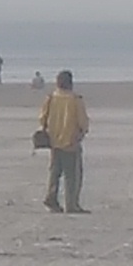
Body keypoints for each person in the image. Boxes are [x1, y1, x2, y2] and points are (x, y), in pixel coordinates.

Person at [35, 70, 89, 213]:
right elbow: (83, 122)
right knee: (72, 176)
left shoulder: (51, 98)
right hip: (70, 142)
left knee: (54, 173)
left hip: (53, 141)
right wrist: (82, 133)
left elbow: (42, 118)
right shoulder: (75, 100)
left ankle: (51, 199)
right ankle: (71, 204)